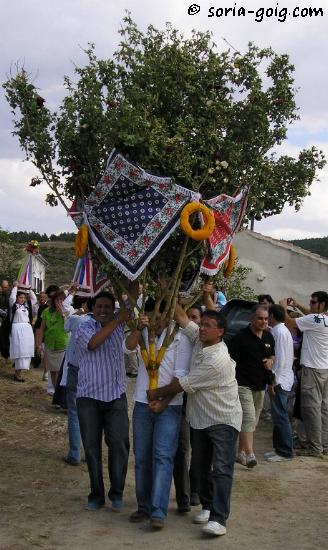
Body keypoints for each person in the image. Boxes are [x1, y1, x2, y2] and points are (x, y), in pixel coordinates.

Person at [148, 306, 242, 538]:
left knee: (221, 469)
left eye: (208, 326)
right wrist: (168, 286)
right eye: (202, 324)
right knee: (200, 468)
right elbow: (181, 318)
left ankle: (219, 519)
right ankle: (208, 507)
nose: (202, 329)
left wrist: (156, 393)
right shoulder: (201, 342)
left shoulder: (217, 359)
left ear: (219, 332)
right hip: (201, 419)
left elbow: (181, 384)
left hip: (223, 419)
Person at [125, 298, 192, 528]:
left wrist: (164, 402)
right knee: (142, 458)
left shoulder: (180, 338)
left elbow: (181, 375)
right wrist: (139, 327)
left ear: (167, 315)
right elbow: (128, 346)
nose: (155, 319)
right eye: (150, 314)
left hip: (170, 406)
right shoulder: (144, 333)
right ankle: (143, 507)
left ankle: (157, 511)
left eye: (159, 314)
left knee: (163, 457)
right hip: (143, 403)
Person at [75, 292, 130, 511]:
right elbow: (93, 344)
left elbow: (133, 292)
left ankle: (116, 492)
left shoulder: (120, 321)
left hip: (116, 395)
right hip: (88, 397)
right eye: (99, 306)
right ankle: (96, 494)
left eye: (108, 306)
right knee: (91, 448)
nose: (103, 310)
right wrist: (117, 319)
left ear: (113, 307)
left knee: (119, 445)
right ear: (92, 307)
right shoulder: (84, 326)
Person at [280, 292, 328, 457]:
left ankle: (315, 447)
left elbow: (289, 322)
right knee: (323, 408)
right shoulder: (324, 319)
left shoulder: (315, 320)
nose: (311, 304)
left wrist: (282, 308)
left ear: (322, 305)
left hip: (313, 369)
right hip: (324, 369)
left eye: (313, 302)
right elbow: (312, 316)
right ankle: (323, 444)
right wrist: (298, 305)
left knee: (312, 409)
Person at [229, 305, 275, 468]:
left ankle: (240, 453)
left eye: (266, 319)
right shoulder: (240, 338)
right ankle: (250, 454)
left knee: (252, 422)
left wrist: (271, 361)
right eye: (260, 318)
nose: (263, 321)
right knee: (248, 418)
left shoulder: (269, 337)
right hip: (243, 384)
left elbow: (271, 356)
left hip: (260, 384)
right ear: (251, 319)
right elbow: (230, 361)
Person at [264, 304, 294, 462]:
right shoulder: (278, 331)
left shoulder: (280, 332)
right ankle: (278, 448)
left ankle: (285, 451)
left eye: (267, 315)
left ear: (273, 316)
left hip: (280, 380)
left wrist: (273, 380)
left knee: (281, 416)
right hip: (280, 378)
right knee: (277, 416)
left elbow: (279, 359)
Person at [35, 290, 70, 389]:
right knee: (53, 371)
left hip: (61, 344)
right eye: (57, 300)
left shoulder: (67, 311)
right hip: (49, 344)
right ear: (53, 300)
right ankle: (56, 392)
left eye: (62, 300)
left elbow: (68, 326)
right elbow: (41, 329)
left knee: (60, 371)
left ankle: (60, 394)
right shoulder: (46, 311)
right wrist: (38, 345)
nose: (59, 302)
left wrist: (62, 314)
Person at [9, 282, 37, 382]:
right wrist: (15, 287)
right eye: (20, 297)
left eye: (24, 298)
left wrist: (29, 290)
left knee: (25, 352)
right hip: (17, 328)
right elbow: (12, 297)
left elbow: (34, 300)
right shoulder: (13, 305)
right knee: (19, 351)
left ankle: (20, 372)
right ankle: (17, 374)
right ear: (17, 298)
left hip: (27, 330)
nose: (22, 299)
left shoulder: (27, 305)